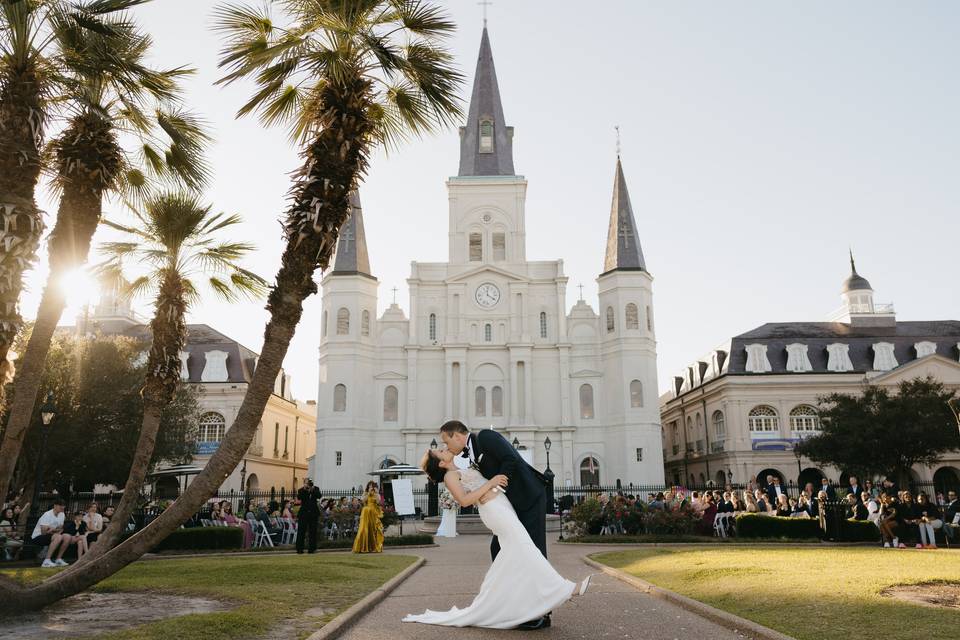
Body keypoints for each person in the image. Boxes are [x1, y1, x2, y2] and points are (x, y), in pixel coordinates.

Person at [404, 447, 592, 629]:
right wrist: (491, 483)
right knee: (526, 548)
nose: (444, 448)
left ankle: (498, 599)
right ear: (442, 463)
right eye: (440, 451)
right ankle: (566, 590)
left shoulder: (458, 469)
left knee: (512, 555)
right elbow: (464, 501)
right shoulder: (449, 476)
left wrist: (492, 482)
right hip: (494, 510)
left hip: (502, 505)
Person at [435, 420, 555, 630]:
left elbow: (510, 459)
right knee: (498, 548)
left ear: (457, 435)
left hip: (529, 498)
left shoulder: (485, 437)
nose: (446, 447)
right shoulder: (468, 454)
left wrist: (495, 489)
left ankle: (541, 612)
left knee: (533, 550)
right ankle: (513, 603)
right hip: (514, 505)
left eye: (446, 441)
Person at [32, 499, 69, 567]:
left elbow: (60, 529)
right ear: (55, 506)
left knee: (67, 537)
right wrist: (53, 530)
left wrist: (51, 529)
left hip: (51, 535)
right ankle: (46, 561)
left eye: (63, 506)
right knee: (58, 536)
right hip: (38, 536)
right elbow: (43, 532)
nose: (62, 507)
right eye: (60, 505)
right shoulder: (47, 514)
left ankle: (58, 559)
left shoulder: (62, 514)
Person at [353, 481, 384, 553]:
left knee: (374, 530)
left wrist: (376, 494)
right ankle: (363, 546)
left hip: (374, 513)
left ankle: (374, 547)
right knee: (365, 529)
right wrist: (368, 494)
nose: (371, 488)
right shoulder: (365, 493)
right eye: (370, 486)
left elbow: (379, 502)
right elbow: (363, 501)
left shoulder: (377, 494)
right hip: (366, 513)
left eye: (372, 486)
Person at [296, 479, 320, 553]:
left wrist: (312, 490)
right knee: (301, 531)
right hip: (304, 513)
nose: (308, 484)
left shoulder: (316, 489)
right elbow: (299, 497)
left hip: (313, 513)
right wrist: (305, 489)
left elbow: (319, 496)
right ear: (304, 483)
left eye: (309, 483)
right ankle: (299, 549)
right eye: (306, 483)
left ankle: (312, 549)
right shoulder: (301, 490)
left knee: (313, 532)